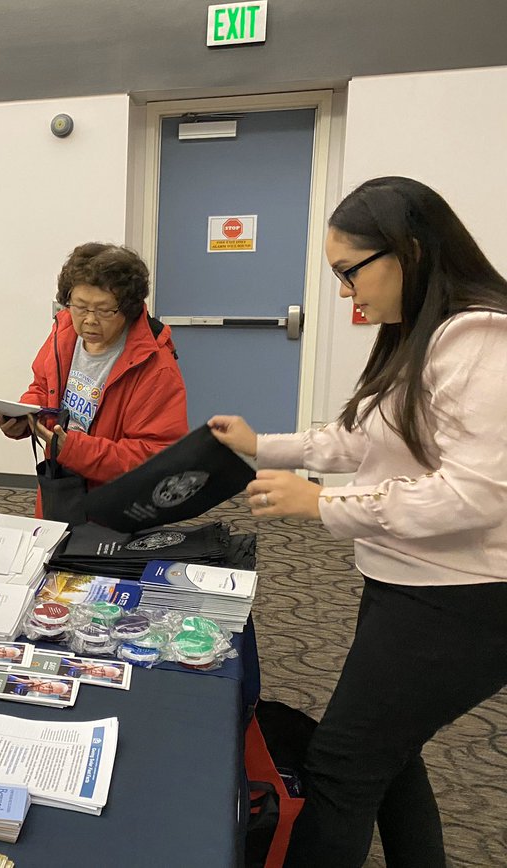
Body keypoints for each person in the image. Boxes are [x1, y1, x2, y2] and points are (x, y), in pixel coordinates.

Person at [209, 176, 507, 868]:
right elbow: (364, 437)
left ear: (408, 251)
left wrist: (323, 505)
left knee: (343, 766)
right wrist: (262, 445)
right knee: (389, 755)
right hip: (411, 585)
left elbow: (476, 495)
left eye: (350, 273)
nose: (346, 294)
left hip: (462, 602)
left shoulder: (481, 340)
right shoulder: (422, 334)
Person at [0, 243, 188, 506]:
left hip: (116, 505)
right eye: (80, 307)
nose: (89, 320)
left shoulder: (155, 367)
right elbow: (43, 386)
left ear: (128, 309)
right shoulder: (64, 333)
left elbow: (157, 456)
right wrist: (24, 415)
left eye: (104, 310)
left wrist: (74, 450)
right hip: (60, 487)